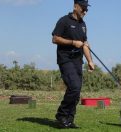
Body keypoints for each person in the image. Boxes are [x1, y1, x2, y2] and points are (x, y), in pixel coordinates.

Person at [51, 0, 95, 129]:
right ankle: (61, 115)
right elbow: (55, 39)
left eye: (87, 9)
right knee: (74, 87)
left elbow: (85, 44)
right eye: (83, 8)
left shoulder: (83, 24)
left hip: (77, 61)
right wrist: (72, 42)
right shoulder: (64, 21)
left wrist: (90, 61)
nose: (85, 12)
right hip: (65, 59)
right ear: (76, 7)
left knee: (76, 92)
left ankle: (69, 120)